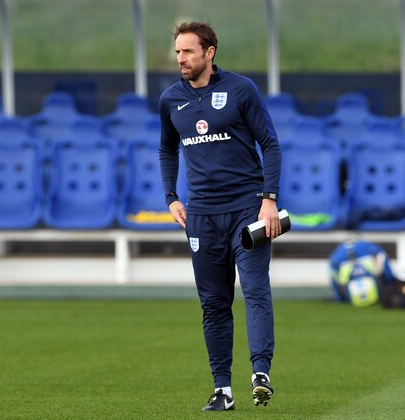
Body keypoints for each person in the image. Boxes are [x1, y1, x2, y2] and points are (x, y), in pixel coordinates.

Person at [158, 21, 282, 412]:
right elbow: (167, 149)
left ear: (209, 53)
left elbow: (270, 145)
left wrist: (269, 199)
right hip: (202, 217)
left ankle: (260, 373)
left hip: (248, 211)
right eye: (178, 52)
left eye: (188, 52)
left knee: (256, 291)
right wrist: (171, 196)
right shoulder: (170, 99)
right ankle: (222, 389)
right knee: (213, 304)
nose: (181, 59)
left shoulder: (240, 89)